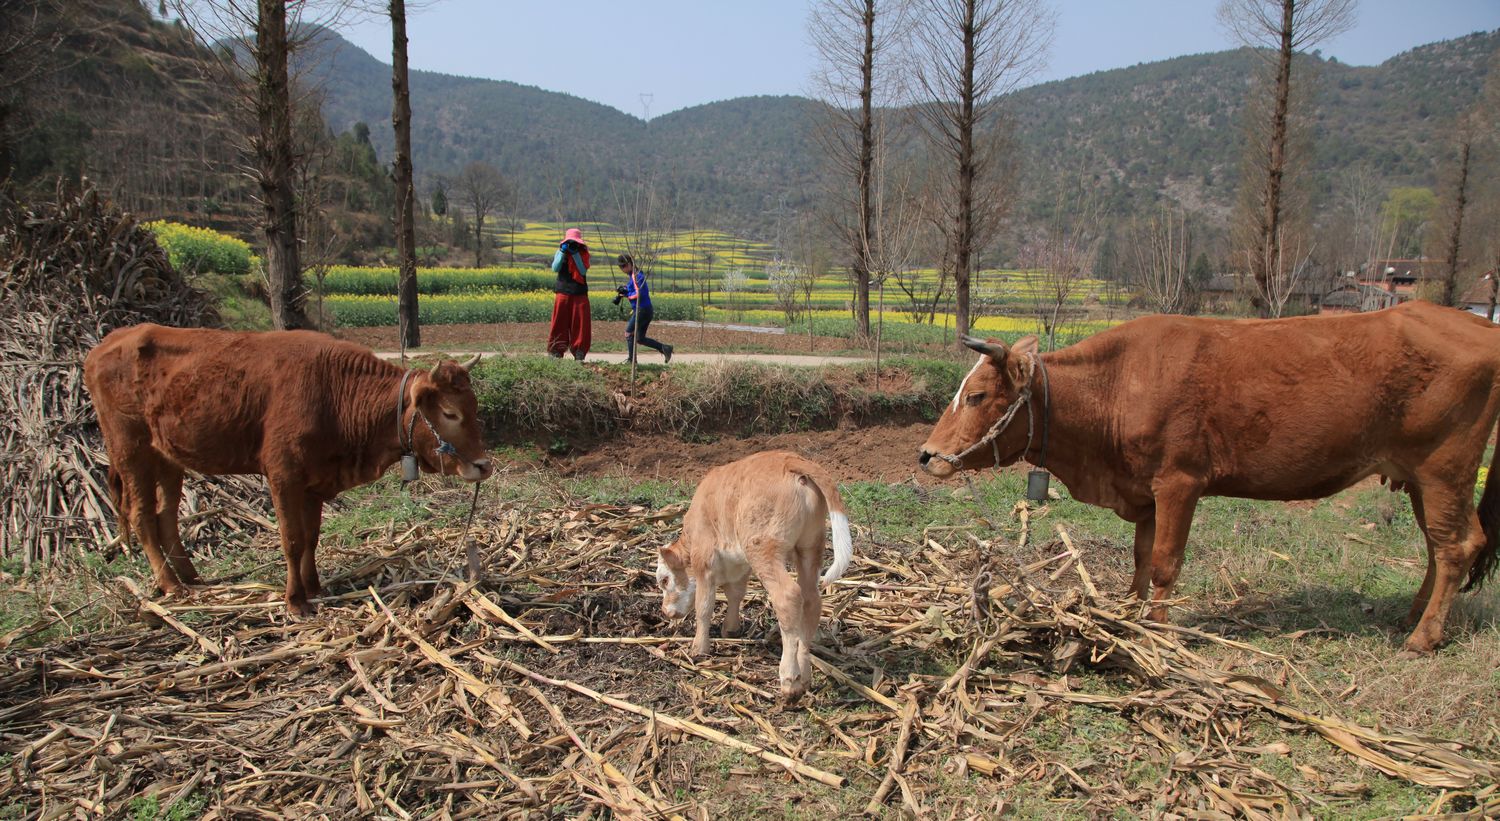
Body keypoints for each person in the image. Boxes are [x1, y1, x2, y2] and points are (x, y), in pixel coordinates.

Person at [614, 254, 673, 364]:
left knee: (628, 333)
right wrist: (625, 289)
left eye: (624, 266)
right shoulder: (635, 275)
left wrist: (626, 294)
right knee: (639, 338)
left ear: (631, 264)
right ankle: (665, 348)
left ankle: (632, 361)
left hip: (642, 310)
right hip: (645, 310)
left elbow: (639, 293)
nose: (622, 269)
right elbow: (634, 288)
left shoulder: (636, 276)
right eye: (620, 267)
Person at [548, 227, 591, 360]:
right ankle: (556, 351)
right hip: (562, 292)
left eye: (575, 242)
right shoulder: (560, 251)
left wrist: (575, 253)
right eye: (570, 242)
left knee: (580, 324)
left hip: (579, 293)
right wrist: (562, 252)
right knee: (559, 322)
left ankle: (579, 352)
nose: (572, 244)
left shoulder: (583, 253)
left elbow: (582, 271)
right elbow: (555, 267)